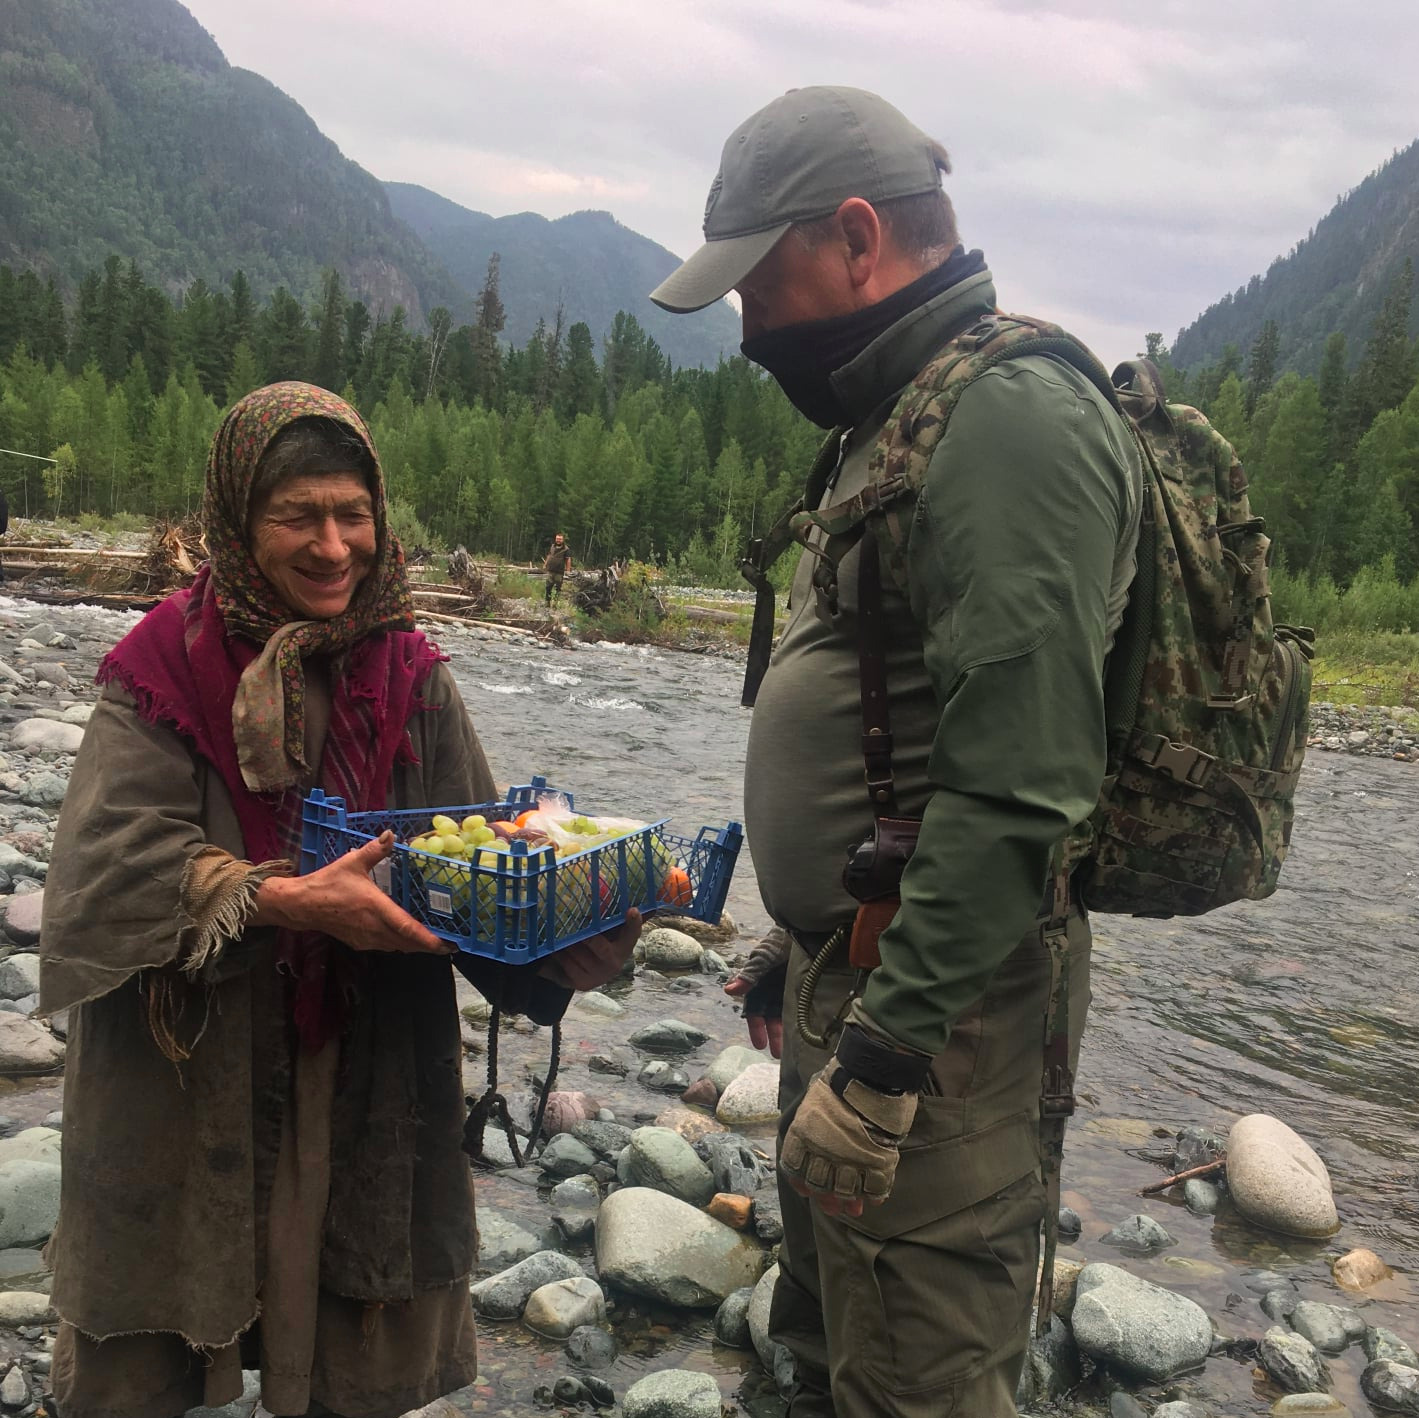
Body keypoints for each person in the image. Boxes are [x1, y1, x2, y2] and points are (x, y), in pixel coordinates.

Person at [653, 88, 1141, 1415]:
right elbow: (899, 729)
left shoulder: (1010, 419)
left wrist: (882, 1059)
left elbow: (1019, 787)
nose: (748, 324)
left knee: (917, 1379)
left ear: (857, 236)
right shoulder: (897, 411)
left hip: (947, 1033)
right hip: (862, 980)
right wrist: (800, 934)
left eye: (761, 279)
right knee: (821, 1342)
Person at [37, 382, 639, 1418]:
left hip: (361, 1068)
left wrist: (567, 946)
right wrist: (282, 898)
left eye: (351, 514)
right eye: (297, 515)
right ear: (236, 516)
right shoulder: (160, 669)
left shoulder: (412, 676)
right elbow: (104, 867)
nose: (332, 545)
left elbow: (481, 878)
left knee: (352, 1361)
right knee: (142, 1362)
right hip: (192, 1063)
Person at [544, 531, 572, 606]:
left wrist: (568, 570)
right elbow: (549, 555)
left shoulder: (566, 549)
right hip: (550, 570)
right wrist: (545, 564)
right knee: (548, 587)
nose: (558, 540)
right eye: (557, 539)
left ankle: (555, 604)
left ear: (562, 540)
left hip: (559, 572)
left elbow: (568, 560)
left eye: (560, 539)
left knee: (557, 588)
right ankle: (547, 603)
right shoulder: (552, 546)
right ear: (555, 539)